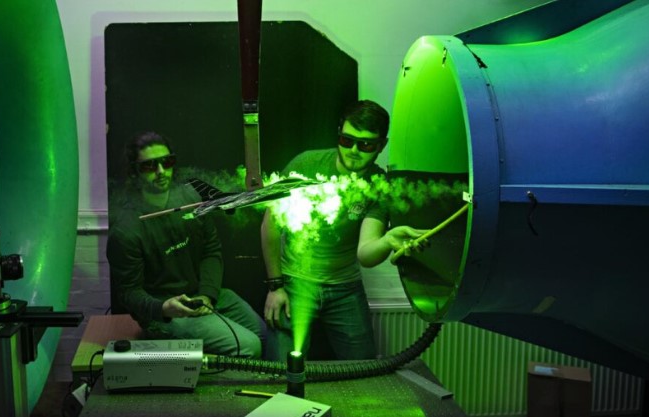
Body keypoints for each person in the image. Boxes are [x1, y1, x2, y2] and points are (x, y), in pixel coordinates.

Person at [261, 100, 426, 360]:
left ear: (381, 146)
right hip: (295, 283)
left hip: (345, 289)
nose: (353, 151)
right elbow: (270, 225)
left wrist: (387, 240)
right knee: (281, 374)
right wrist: (275, 286)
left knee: (362, 371)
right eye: (347, 140)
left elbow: (366, 254)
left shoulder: (378, 185)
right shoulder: (306, 165)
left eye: (366, 145)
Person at [107, 131, 265, 358]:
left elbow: (211, 250)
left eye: (166, 162)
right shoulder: (127, 230)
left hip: (199, 296)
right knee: (250, 346)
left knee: (263, 334)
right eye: (150, 166)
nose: (161, 172)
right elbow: (129, 293)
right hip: (163, 314)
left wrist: (207, 294)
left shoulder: (190, 200)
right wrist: (163, 308)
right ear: (135, 172)